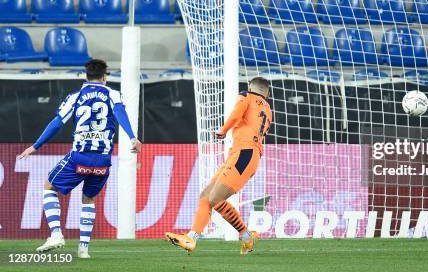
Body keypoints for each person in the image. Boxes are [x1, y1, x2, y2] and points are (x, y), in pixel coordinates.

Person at [17, 59, 142, 258]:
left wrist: (35, 146)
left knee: (49, 186)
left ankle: (56, 234)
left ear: (86, 76)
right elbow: (119, 112)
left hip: (79, 157)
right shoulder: (112, 93)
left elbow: (57, 123)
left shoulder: (75, 97)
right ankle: (83, 249)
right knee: (89, 199)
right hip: (103, 160)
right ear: (105, 77)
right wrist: (132, 137)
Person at [165, 77, 272, 255]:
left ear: (250, 87)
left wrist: (223, 129)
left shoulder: (246, 96)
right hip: (243, 154)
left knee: (214, 198)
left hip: (244, 153)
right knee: (206, 195)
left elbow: (237, 113)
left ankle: (243, 236)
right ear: (267, 93)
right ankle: (193, 238)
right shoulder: (268, 109)